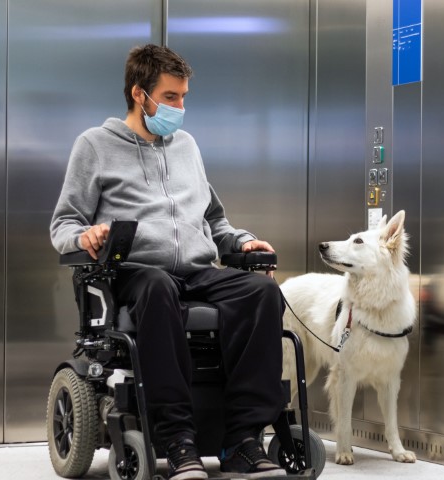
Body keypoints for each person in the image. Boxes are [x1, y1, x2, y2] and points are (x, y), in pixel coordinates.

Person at [50, 44, 286, 480]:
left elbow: (214, 218)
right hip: (136, 273)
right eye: (172, 97)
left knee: (262, 291)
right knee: (158, 286)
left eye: (184, 97)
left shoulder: (186, 147)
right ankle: (177, 439)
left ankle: (243, 439)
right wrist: (85, 235)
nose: (180, 107)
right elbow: (64, 223)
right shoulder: (95, 146)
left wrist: (243, 242)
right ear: (140, 94)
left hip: (197, 271)